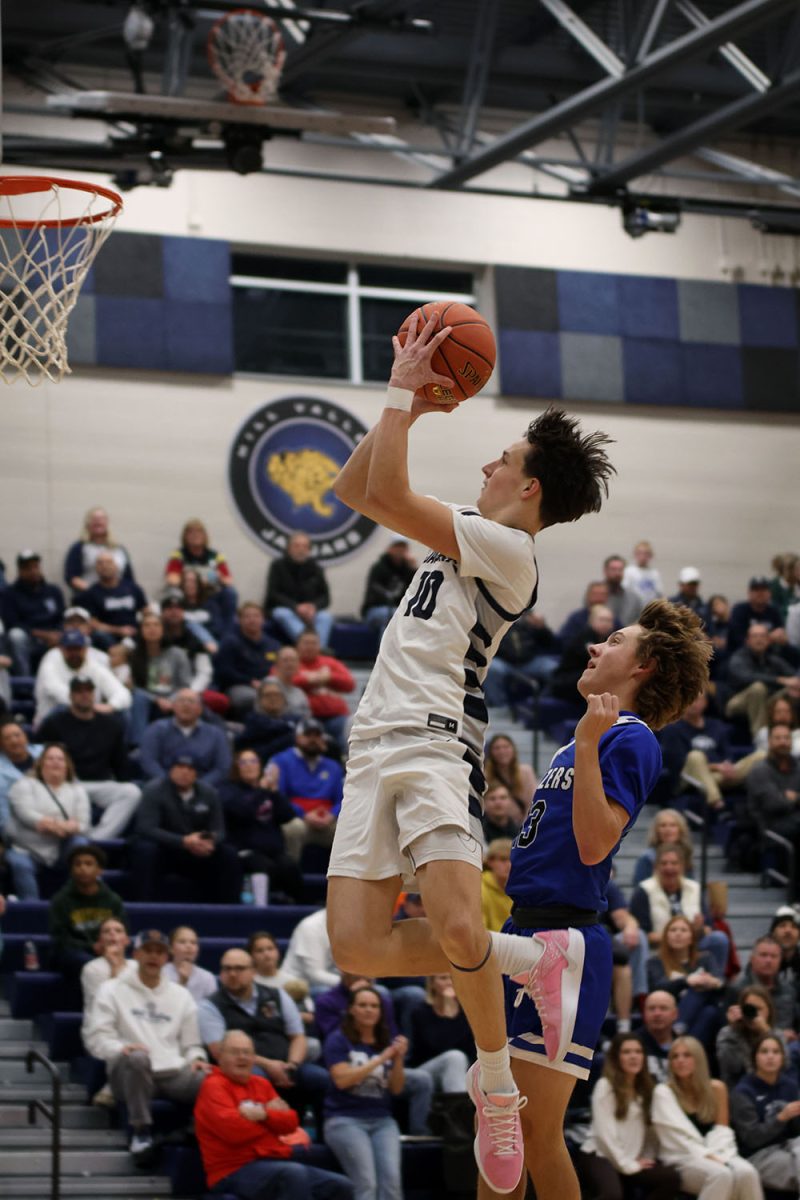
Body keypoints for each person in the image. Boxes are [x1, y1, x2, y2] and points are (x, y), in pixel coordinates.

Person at [327, 321, 620, 1195]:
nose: (486, 464)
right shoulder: (461, 532)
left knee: (458, 930)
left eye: (500, 457)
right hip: (372, 745)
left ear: (528, 487)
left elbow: (381, 494)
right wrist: (404, 399)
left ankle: (495, 1084)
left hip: (430, 740)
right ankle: (533, 960)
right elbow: (356, 485)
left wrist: (402, 395)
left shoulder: (511, 550)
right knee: (357, 947)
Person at [481, 599, 712, 1200]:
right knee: (498, 1126)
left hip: (565, 941)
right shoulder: (580, 739)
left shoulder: (629, 739)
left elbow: (593, 845)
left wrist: (588, 744)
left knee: (533, 1130)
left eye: (613, 640)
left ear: (646, 666)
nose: (594, 646)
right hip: (523, 927)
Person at [83, 928, 210, 1158]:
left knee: (210, 1078)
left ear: (167, 957)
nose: (153, 956)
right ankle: (140, 1131)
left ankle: (199, 1131)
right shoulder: (111, 989)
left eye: (159, 952)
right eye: (147, 950)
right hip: (129, 1071)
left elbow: (192, 1044)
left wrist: (198, 1059)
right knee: (138, 1059)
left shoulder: (181, 995)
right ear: (136, 954)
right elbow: (97, 1037)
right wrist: (121, 1048)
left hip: (172, 1073)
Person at [194, 1029, 353, 1200]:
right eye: (235, 1052)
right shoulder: (214, 1086)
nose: (242, 1057)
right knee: (292, 1174)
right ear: (220, 1057)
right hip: (232, 1170)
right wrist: (271, 1121)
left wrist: (262, 1114)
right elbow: (234, 1132)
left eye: (247, 1052)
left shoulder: (261, 1084)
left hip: (274, 1160)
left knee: (340, 1186)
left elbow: (290, 1124)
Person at [198, 948, 329, 1129]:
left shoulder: (277, 995)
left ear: (253, 972)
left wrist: (292, 1065)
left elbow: (298, 1036)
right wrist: (269, 1065)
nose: (232, 974)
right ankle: (265, 1138)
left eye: (239, 968)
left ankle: (323, 1139)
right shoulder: (210, 1006)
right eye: (227, 969)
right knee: (256, 1079)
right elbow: (219, 1051)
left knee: (320, 1078)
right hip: (246, 1067)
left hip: (287, 1062)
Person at [651, 1036, 763, 1200]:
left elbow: (722, 1131)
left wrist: (719, 1157)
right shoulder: (663, 1092)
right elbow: (676, 1139)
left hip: (719, 1152)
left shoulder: (717, 1088)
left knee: (747, 1173)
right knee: (721, 1175)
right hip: (681, 1157)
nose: (680, 1060)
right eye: (675, 1056)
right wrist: (708, 1156)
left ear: (699, 1059)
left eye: (687, 1055)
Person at [323, 986, 405, 1200]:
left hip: (382, 1120)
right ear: (351, 1009)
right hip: (344, 1119)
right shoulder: (338, 1040)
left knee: (392, 1184)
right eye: (363, 1005)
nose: (369, 1010)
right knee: (366, 1183)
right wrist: (380, 1058)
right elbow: (342, 1081)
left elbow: (396, 1089)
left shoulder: (386, 1041)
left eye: (374, 1006)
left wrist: (397, 1059)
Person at [578, 1032, 679, 1200]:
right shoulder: (605, 1086)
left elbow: (651, 1131)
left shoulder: (647, 1089)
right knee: (612, 1195)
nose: (634, 1057)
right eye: (627, 1052)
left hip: (631, 1158)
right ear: (617, 1058)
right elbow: (605, 1135)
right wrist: (627, 1165)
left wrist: (646, 1157)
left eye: (638, 1052)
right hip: (600, 1154)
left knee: (671, 1178)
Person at [39, 677, 140, 839]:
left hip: (101, 783)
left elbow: (120, 762)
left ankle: (97, 839)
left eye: (88, 690)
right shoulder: (54, 723)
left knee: (131, 792)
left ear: (94, 694)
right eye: (79, 691)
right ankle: (79, 839)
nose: (84, 695)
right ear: (71, 696)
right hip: (67, 784)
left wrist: (123, 779)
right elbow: (41, 755)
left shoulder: (111, 724)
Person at [135, 751, 242, 903]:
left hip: (196, 851)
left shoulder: (209, 793)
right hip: (165, 850)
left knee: (229, 854)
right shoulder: (154, 790)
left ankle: (231, 911)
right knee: (145, 850)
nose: (184, 772)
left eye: (190, 769)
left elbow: (219, 830)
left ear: (196, 774)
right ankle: (143, 905)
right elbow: (146, 828)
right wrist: (183, 841)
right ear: (171, 770)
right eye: (180, 767)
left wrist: (208, 840)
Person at [630, 843, 729, 979]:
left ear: (682, 867)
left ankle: (716, 984)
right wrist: (674, 936)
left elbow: (708, 928)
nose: (669, 867)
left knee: (719, 939)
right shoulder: (643, 891)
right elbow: (641, 933)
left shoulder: (694, 888)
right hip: (659, 948)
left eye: (674, 863)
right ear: (656, 867)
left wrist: (698, 929)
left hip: (692, 946)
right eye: (664, 863)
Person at [6, 743, 91, 899]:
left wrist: (61, 827)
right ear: (41, 763)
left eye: (60, 759)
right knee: (19, 863)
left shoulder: (77, 790)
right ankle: (31, 908)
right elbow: (26, 814)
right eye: (50, 758)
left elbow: (83, 823)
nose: (55, 762)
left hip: (61, 849)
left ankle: (78, 901)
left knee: (80, 844)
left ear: (67, 765)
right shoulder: (24, 785)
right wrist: (61, 825)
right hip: (27, 849)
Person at [219, 751, 305, 903]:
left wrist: (275, 792)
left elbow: (288, 815)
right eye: (244, 762)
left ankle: (301, 907)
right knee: (261, 865)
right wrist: (262, 791)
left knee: (289, 866)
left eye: (253, 761)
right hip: (245, 849)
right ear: (236, 767)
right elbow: (241, 811)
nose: (249, 766)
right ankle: (260, 910)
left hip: (273, 849)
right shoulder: (228, 790)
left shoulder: (268, 791)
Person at [660, 692, 763, 812]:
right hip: (689, 779)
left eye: (697, 700)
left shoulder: (716, 726)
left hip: (718, 776)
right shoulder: (672, 728)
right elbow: (680, 764)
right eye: (689, 699)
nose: (693, 703)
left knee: (760, 755)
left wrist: (727, 766)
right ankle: (715, 800)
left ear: (705, 703)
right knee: (696, 756)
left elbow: (727, 753)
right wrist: (716, 767)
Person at [730, 1033, 800, 1193]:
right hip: (759, 1154)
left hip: (789, 1146)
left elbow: (796, 1132)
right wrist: (781, 1118)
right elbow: (752, 1139)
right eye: (764, 1051)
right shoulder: (743, 1092)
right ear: (754, 1057)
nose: (770, 1056)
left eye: (776, 1052)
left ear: (783, 1057)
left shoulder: (790, 1085)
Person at [645, 915, 725, 1050]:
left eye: (683, 930)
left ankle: (679, 1039)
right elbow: (658, 988)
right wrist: (686, 981)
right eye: (673, 930)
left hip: (700, 1011)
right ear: (666, 936)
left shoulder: (705, 958)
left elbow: (721, 982)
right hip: (669, 1012)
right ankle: (684, 1041)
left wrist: (712, 981)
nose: (678, 934)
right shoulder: (655, 962)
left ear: (692, 937)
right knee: (701, 997)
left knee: (709, 1009)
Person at [49, 844, 127, 976]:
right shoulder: (61, 900)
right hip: (72, 955)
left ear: (99, 870)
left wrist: (108, 947)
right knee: (90, 965)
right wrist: (92, 947)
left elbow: (122, 930)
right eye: (78, 864)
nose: (83, 868)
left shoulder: (112, 900)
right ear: (71, 870)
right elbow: (60, 939)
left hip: (107, 949)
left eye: (89, 864)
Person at [270, 720, 343, 856]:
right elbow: (279, 797)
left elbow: (341, 799)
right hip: (299, 818)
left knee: (350, 828)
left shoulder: (333, 766)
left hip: (327, 819)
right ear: (297, 738)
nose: (313, 740)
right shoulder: (281, 761)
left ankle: (345, 876)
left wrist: (332, 814)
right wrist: (303, 814)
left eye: (317, 735)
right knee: (293, 828)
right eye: (308, 735)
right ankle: (291, 875)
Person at [34, 628, 132, 727]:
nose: (74, 653)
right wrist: (89, 706)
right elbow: (55, 690)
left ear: (85, 649)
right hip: (53, 724)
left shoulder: (93, 666)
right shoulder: (51, 659)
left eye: (77, 649)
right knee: (61, 709)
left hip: (87, 723)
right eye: (70, 649)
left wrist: (111, 706)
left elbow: (123, 694)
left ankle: (130, 743)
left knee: (122, 713)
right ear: (61, 649)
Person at [139, 688, 231, 788]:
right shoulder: (156, 729)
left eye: (191, 702)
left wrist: (198, 788)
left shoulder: (215, 734)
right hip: (163, 787)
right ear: (173, 706)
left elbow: (222, 767)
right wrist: (169, 784)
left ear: (200, 709)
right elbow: (148, 761)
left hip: (203, 789)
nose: (186, 705)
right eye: (181, 701)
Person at [126, 611, 193, 745]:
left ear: (163, 629)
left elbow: (185, 685)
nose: (152, 629)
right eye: (147, 625)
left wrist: (171, 700)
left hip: (175, 700)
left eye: (156, 625)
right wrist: (157, 700)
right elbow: (136, 687)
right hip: (149, 702)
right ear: (141, 630)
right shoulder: (135, 656)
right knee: (137, 697)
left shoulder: (178, 654)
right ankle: (138, 745)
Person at [725, 624, 799, 739]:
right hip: (736, 702)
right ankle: (760, 738)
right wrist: (780, 680)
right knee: (758, 688)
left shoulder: (771, 659)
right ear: (747, 640)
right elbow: (746, 677)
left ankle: (795, 735)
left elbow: (793, 675)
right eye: (755, 636)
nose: (759, 639)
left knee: (792, 689)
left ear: (769, 640)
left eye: (763, 636)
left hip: (765, 701)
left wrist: (795, 683)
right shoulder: (739, 657)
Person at [408, 973, 474, 1095]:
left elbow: (472, 1051)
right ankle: (459, 1108)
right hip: (426, 1071)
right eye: (443, 978)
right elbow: (436, 1046)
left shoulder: (468, 1012)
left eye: (453, 978)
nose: (449, 982)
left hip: (461, 1072)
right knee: (455, 1057)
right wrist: (448, 1012)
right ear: (432, 983)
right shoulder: (420, 1012)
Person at [265, 532, 333, 649]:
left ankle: (319, 651)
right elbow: (273, 594)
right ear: (289, 548)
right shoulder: (278, 566)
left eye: (305, 546)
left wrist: (313, 607)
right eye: (297, 546)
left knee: (325, 617)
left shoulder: (316, 568)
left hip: (310, 612)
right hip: (286, 609)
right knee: (282, 613)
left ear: (309, 550)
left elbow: (325, 597)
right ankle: (309, 647)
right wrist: (295, 607)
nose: (301, 549)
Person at [2, 551, 65, 676]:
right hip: (29, 637)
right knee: (16, 636)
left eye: (35, 567)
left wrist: (59, 634)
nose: (33, 571)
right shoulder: (9, 594)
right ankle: (25, 681)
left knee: (75, 635)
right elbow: (12, 623)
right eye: (27, 568)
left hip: (54, 635)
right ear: (20, 571)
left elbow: (62, 617)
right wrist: (43, 635)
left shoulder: (53, 591)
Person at [214, 602, 282, 716]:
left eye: (256, 616)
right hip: (240, 685)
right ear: (239, 620)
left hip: (270, 685)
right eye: (247, 616)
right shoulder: (230, 643)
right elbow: (224, 672)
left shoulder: (274, 644)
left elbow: (279, 669)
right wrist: (250, 681)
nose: (252, 620)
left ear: (263, 620)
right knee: (252, 699)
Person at [291, 631, 355, 751]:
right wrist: (311, 680)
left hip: (336, 717)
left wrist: (330, 677)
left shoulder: (330, 662)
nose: (310, 646)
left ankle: (346, 765)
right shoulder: (291, 662)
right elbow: (284, 681)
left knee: (348, 735)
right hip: (304, 717)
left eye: (314, 643)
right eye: (306, 643)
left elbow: (350, 684)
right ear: (297, 645)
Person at [746, 723, 800, 863]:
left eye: (786, 738)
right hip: (771, 827)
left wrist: (792, 797)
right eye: (778, 738)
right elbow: (774, 805)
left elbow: (782, 801)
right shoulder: (759, 771)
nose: (783, 742)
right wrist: (789, 800)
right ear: (769, 742)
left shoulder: (798, 767)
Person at [548, 603, 615, 704]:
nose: (606, 623)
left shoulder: (606, 638)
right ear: (591, 621)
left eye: (609, 620)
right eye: (602, 620)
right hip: (565, 682)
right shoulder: (584, 638)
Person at [716, 985, 780, 1090]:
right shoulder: (727, 1034)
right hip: (738, 1092)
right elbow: (733, 1066)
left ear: (769, 1010)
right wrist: (735, 1030)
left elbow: (785, 1065)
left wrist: (767, 1033)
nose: (754, 1014)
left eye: (759, 1009)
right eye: (750, 1008)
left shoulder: (777, 1034)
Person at [64, 507, 135, 596]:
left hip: (119, 597)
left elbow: (129, 578)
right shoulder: (79, 548)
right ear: (87, 523)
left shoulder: (119, 549)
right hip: (90, 597)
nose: (98, 521)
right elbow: (71, 577)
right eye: (94, 519)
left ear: (107, 522)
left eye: (101, 519)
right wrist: (96, 593)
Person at [83, 552, 148, 645]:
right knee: (99, 635)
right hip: (108, 637)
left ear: (116, 566)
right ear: (96, 568)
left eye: (108, 562)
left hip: (134, 634)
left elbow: (146, 611)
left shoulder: (132, 588)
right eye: (100, 563)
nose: (104, 566)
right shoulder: (91, 593)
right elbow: (93, 623)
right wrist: (118, 630)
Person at [741, 936, 798, 1039]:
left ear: (780, 960)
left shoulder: (789, 990)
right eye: (763, 955)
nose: (768, 960)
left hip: (786, 1049)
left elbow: (790, 1028)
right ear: (752, 958)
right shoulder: (737, 989)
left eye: (773, 956)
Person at [361, 539, 417, 635]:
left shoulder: (408, 569)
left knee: (397, 619)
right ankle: (386, 650)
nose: (400, 550)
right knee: (393, 616)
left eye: (403, 547)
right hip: (374, 610)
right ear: (390, 549)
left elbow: (415, 592)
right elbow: (374, 594)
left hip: (397, 611)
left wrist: (413, 569)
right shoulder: (378, 568)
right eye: (397, 547)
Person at [235, 680, 297, 763]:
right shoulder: (253, 722)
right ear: (260, 700)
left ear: (284, 698)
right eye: (268, 695)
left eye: (277, 695)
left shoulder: (295, 720)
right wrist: (288, 733)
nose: (273, 698)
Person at [631, 808, 695, 888]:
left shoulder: (686, 855)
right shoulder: (647, 858)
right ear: (656, 830)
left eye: (673, 825)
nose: (668, 829)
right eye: (663, 825)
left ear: (681, 829)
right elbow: (639, 888)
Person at [282, 908, 340, 994]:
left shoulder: (352, 924)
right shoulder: (311, 927)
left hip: (328, 981)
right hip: (297, 987)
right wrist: (351, 983)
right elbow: (315, 974)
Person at [0, 720, 42, 835]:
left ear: (26, 737)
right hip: (20, 828)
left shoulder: (45, 753)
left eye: (17, 735)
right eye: (7, 738)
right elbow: (4, 813)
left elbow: (71, 782)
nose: (14, 741)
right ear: (1, 744)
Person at [484, 734, 537, 822]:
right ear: (490, 752)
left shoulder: (526, 772)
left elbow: (533, 802)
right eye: (497, 748)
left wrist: (525, 827)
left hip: (522, 826)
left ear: (513, 749)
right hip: (495, 826)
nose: (502, 751)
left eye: (506, 747)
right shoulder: (486, 775)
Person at [728, 576, 787, 654]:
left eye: (763, 590)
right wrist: (769, 638)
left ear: (770, 593)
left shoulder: (774, 610)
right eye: (756, 590)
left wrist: (782, 638)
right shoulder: (739, 610)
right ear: (749, 593)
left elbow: (781, 634)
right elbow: (739, 639)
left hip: (770, 654)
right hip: (742, 654)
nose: (760, 593)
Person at [162, 925, 218, 1002]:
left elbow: (212, 1010)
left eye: (193, 942)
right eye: (182, 942)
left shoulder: (207, 978)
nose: (189, 946)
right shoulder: (161, 973)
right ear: (171, 948)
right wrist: (182, 982)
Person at [639, 991, 680, 1083]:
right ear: (644, 1014)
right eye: (651, 1008)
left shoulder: (684, 1045)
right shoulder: (632, 1043)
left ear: (675, 1014)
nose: (657, 1013)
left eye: (663, 1008)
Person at [558, 581, 611, 645]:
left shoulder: (614, 619)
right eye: (595, 594)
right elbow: (564, 641)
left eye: (602, 594)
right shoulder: (576, 618)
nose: (599, 598)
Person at [269, 646, 312, 721]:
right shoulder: (268, 686)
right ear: (277, 664)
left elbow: (307, 719)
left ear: (298, 665)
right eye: (285, 660)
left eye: (293, 660)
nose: (290, 664)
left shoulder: (300, 693)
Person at [480, 839, 513, 933]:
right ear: (490, 861)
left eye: (511, 860)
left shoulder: (520, 890)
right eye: (503, 859)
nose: (509, 865)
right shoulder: (480, 890)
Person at [602, 556, 641, 628]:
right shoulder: (596, 595)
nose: (617, 573)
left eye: (620, 570)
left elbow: (639, 622)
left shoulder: (633, 598)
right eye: (613, 569)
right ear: (605, 571)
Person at [622, 541, 664, 607]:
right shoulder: (629, 571)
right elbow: (624, 591)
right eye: (640, 553)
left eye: (646, 553)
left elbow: (659, 593)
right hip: (634, 607)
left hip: (649, 608)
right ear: (635, 554)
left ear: (650, 555)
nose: (643, 556)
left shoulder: (654, 573)